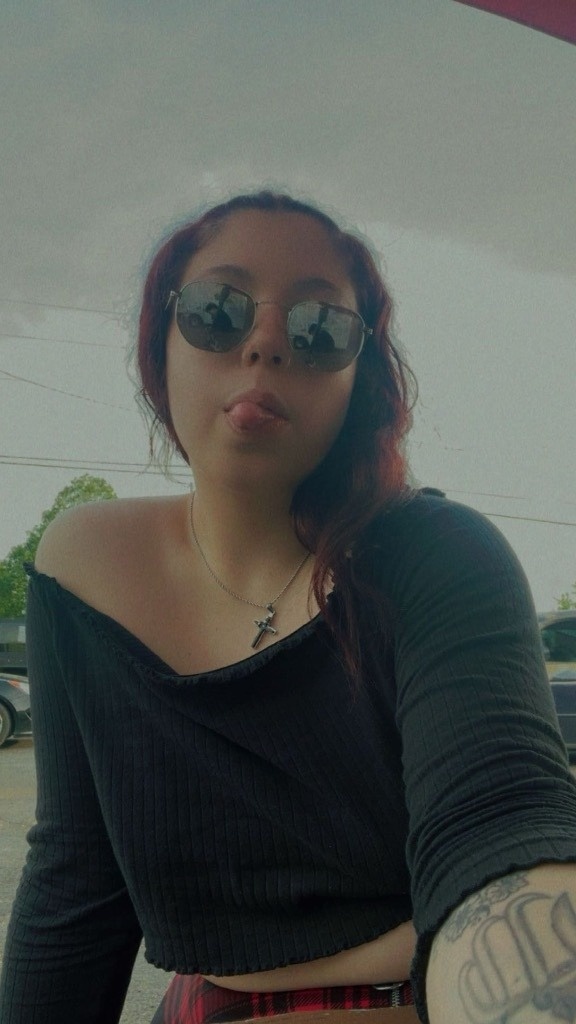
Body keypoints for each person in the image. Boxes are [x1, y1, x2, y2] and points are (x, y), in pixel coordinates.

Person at [1, 190, 576, 1024]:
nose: (266, 342)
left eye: (318, 326)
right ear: (161, 342)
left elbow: (500, 814)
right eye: (217, 309)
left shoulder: (439, 554)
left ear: (358, 376)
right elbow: (76, 879)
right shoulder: (82, 567)